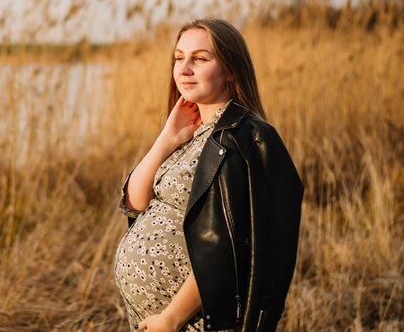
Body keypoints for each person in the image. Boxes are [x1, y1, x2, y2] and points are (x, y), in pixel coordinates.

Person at [114, 18, 304, 332]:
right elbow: (134, 203)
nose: (184, 68)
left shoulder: (247, 137)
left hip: (195, 321)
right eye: (178, 58)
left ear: (231, 69)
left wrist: (172, 317)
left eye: (200, 59)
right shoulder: (192, 133)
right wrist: (167, 139)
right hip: (154, 317)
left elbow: (231, 245)